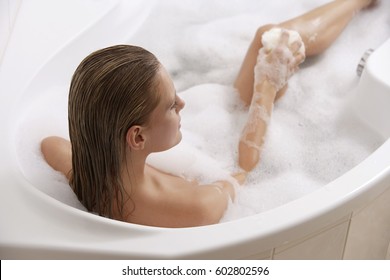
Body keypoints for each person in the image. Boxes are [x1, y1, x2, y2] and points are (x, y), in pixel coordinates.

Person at [41, 0, 377, 227]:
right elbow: (243, 171)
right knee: (270, 40)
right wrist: (267, 86)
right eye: (172, 105)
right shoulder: (195, 207)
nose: (183, 104)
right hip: (232, 145)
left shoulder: (78, 166)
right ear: (137, 136)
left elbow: (50, 143)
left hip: (205, 130)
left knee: (268, 38)